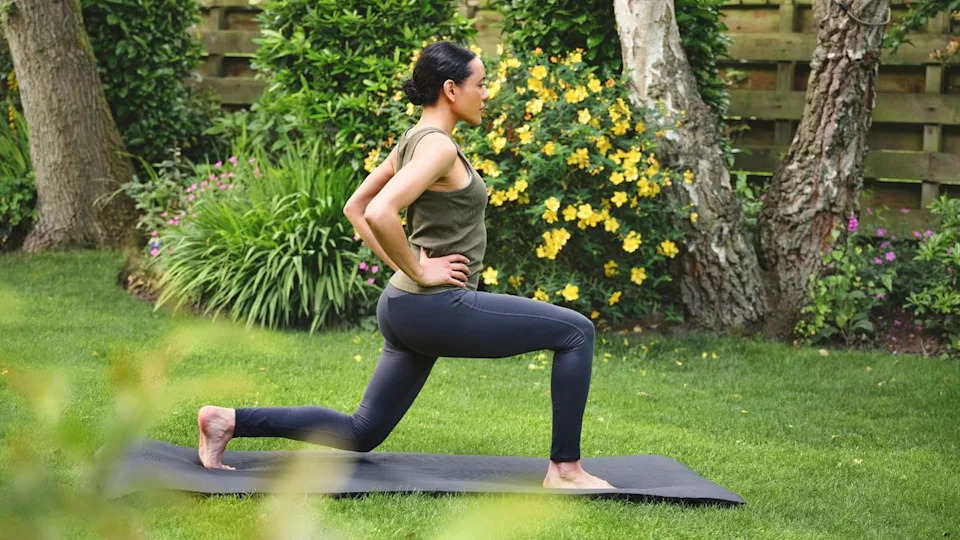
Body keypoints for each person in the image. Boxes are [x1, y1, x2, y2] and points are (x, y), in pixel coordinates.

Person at [198, 41, 615, 490]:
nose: (487, 93)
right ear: (452, 89)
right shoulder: (437, 149)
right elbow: (377, 212)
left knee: (362, 432)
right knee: (576, 332)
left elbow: (354, 208)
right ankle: (565, 469)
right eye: (481, 84)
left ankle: (228, 420)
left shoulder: (413, 141)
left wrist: (409, 270)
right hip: (434, 306)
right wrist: (420, 269)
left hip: (404, 307)